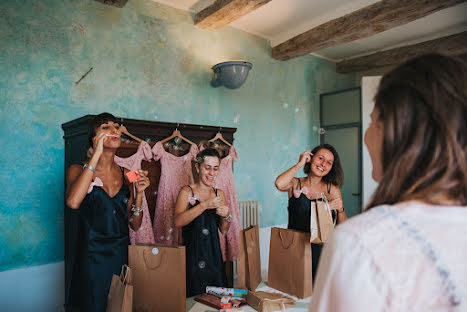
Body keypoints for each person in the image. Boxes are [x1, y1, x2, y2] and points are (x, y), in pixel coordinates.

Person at [310, 54, 467, 312]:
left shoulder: (359, 242)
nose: (366, 136)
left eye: (372, 121)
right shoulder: (299, 184)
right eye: (320, 159)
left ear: (395, 132)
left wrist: (338, 210)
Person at [66, 113, 150, 312]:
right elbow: (72, 202)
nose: (115, 130)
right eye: (106, 127)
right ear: (93, 138)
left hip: (120, 254)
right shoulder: (77, 170)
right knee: (92, 304)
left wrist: (139, 195)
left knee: (118, 305)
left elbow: (135, 224)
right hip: (90, 255)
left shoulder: (127, 173)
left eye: (116, 126)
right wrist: (96, 154)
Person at [275, 144, 347, 280]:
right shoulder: (295, 184)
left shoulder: (331, 190)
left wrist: (340, 209)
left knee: (316, 292)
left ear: (331, 168)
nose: (323, 164)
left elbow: (343, 225)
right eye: (320, 158)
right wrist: (299, 163)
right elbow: (279, 184)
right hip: (294, 248)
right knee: (295, 290)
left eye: (329, 163)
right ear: (311, 158)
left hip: (321, 251)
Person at [174, 148, 231, 297]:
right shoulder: (186, 192)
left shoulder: (219, 194)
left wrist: (226, 216)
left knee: (216, 298)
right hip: (192, 255)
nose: (211, 173)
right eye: (207, 168)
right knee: (194, 298)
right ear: (197, 167)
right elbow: (178, 221)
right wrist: (204, 205)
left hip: (214, 256)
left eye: (215, 169)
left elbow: (224, 229)